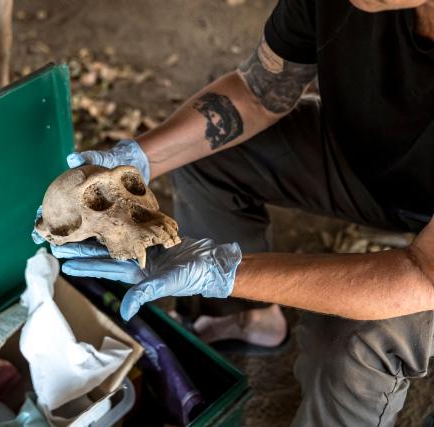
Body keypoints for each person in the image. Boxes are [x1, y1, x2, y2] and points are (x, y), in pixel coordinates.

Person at [36, 0, 434, 425]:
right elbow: (259, 91)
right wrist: (136, 161)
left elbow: (420, 274)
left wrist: (221, 270)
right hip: (377, 168)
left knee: (352, 341)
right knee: (205, 154)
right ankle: (250, 319)